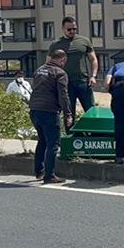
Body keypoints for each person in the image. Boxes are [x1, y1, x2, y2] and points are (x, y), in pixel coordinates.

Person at [29, 49, 73, 184]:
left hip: (34, 109)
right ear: (62, 60)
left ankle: (39, 171)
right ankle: (49, 175)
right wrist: (68, 114)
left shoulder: (39, 70)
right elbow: (63, 95)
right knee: (53, 143)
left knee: (42, 140)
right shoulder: (60, 73)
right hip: (49, 110)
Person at [48, 16, 98, 116]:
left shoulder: (84, 41)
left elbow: (93, 59)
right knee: (69, 113)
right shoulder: (55, 44)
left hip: (83, 82)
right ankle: (70, 132)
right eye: (69, 29)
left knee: (91, 111)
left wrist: (93, 76)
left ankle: (94, 132)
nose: (72, 31)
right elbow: (49, 64)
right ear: (63, 29)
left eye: (74, 29)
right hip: (65, 83)